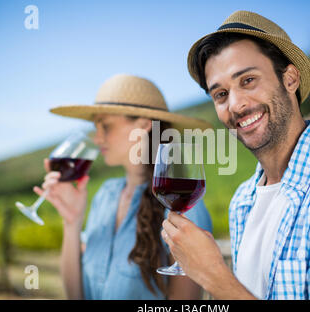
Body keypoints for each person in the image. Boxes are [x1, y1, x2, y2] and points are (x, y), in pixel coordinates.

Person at [161, 10, 310, 299]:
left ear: (290, 79)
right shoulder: (243, 200)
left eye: (248, 80)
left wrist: (214, 276)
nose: (236, 104)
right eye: (221, 94)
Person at [34, 74, 213, 299]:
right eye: (95, 127)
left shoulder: (183, 207)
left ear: (144, 125)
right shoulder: (105, 195)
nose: (97, 138)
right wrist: (71, 222)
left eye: (105, 126)